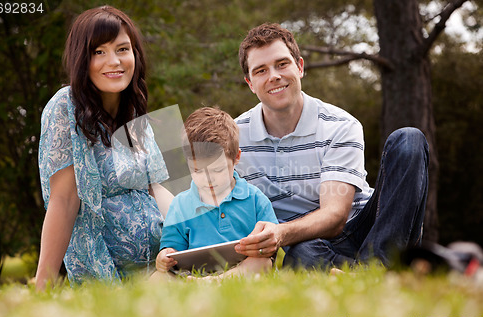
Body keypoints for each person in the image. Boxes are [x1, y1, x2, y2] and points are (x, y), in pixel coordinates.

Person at [233, 23, 429, 271]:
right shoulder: (235, 136)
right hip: (311, 243)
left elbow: (335, 217)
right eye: (261, 70)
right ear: (250, 83)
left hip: (368, 226)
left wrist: (280, 234)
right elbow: (205, 195)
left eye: (282, 64)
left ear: (300, 67)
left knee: (409, 139)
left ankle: (379, 266)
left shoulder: (340, 125)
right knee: (302, 254)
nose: (274, 76)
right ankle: (358, 273)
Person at [35, 6, 174, 290]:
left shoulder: (133, 108)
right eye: (99, 52)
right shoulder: (65, 107)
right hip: (104, 272)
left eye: (122, 49)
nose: (114, 61)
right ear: (81, 59)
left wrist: (198, 229)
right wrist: (42, 286)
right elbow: (63, 201)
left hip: (160, 265)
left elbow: (155, 188)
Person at [153, 107, 278, 279]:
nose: (208, 179)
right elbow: (172, 248)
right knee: (158, 278)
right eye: (197, 171)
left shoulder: (255, 198)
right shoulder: (181, 205)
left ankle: (217, 282)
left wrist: (262, 243)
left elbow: (271, 245)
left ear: (236, 158)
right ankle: (204, 283)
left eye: (218, 170)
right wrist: (165, 256)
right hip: (193, 275)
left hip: (241, 269)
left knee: (262, 263)